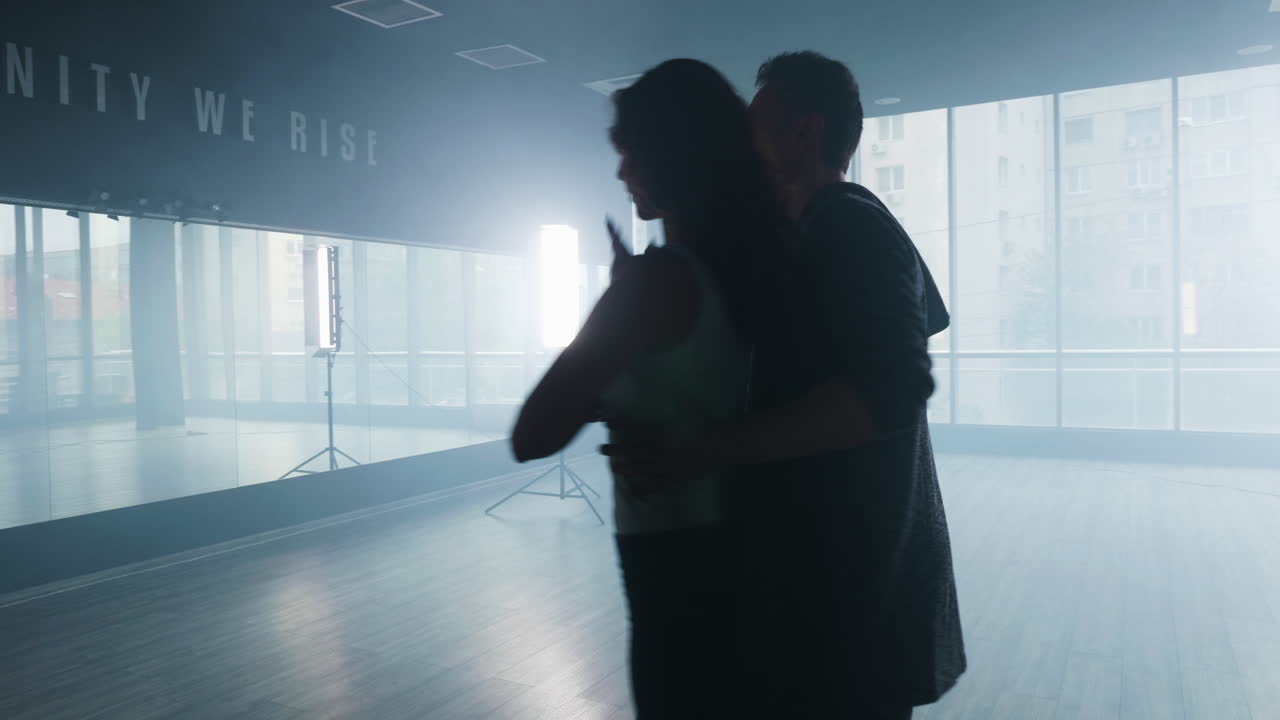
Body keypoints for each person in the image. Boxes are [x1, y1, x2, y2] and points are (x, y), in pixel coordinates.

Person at [604, 52, 965, 719]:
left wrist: (703, 449)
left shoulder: (851, 225)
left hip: (850, 596)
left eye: (757, 123)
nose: (743, 140)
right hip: (833, 588)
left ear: (805, 132)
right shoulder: (821, 229)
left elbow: (886, 393)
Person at [509, 59, 788, 719]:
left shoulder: (655, 282)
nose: (620, 170)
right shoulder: (761, 263)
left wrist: (618, 304)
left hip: (675, 569)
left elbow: (533, 435)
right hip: (756, 555)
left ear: (669, 157)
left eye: (629, 151)